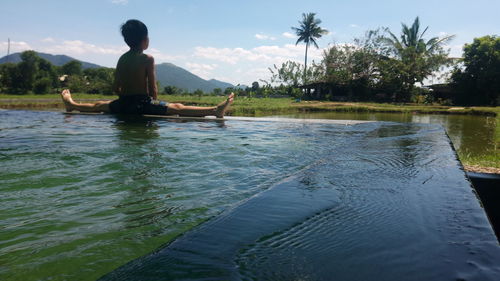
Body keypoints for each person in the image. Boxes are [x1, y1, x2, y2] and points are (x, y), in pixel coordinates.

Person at [60, 19, 234, 118]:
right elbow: (153, 88)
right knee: (177, 107)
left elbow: (116, 87)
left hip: (123, 104)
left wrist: (124, 96)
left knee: (99, 105)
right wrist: (156, 103)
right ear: (144, 40)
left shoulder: (122, 58)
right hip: (142, 104)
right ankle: (214, 110)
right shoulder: (147, 59)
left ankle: (71, 104)